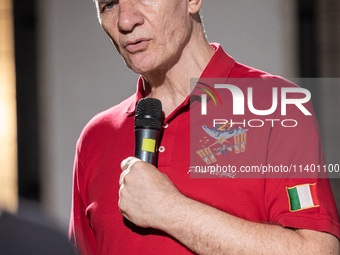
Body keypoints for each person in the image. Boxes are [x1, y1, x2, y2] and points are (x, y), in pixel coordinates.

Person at [69, 0, 340, 254]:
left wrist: (171, 210)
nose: (125, 21)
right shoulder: (96, 137)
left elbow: (316, 250)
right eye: (109, 4)